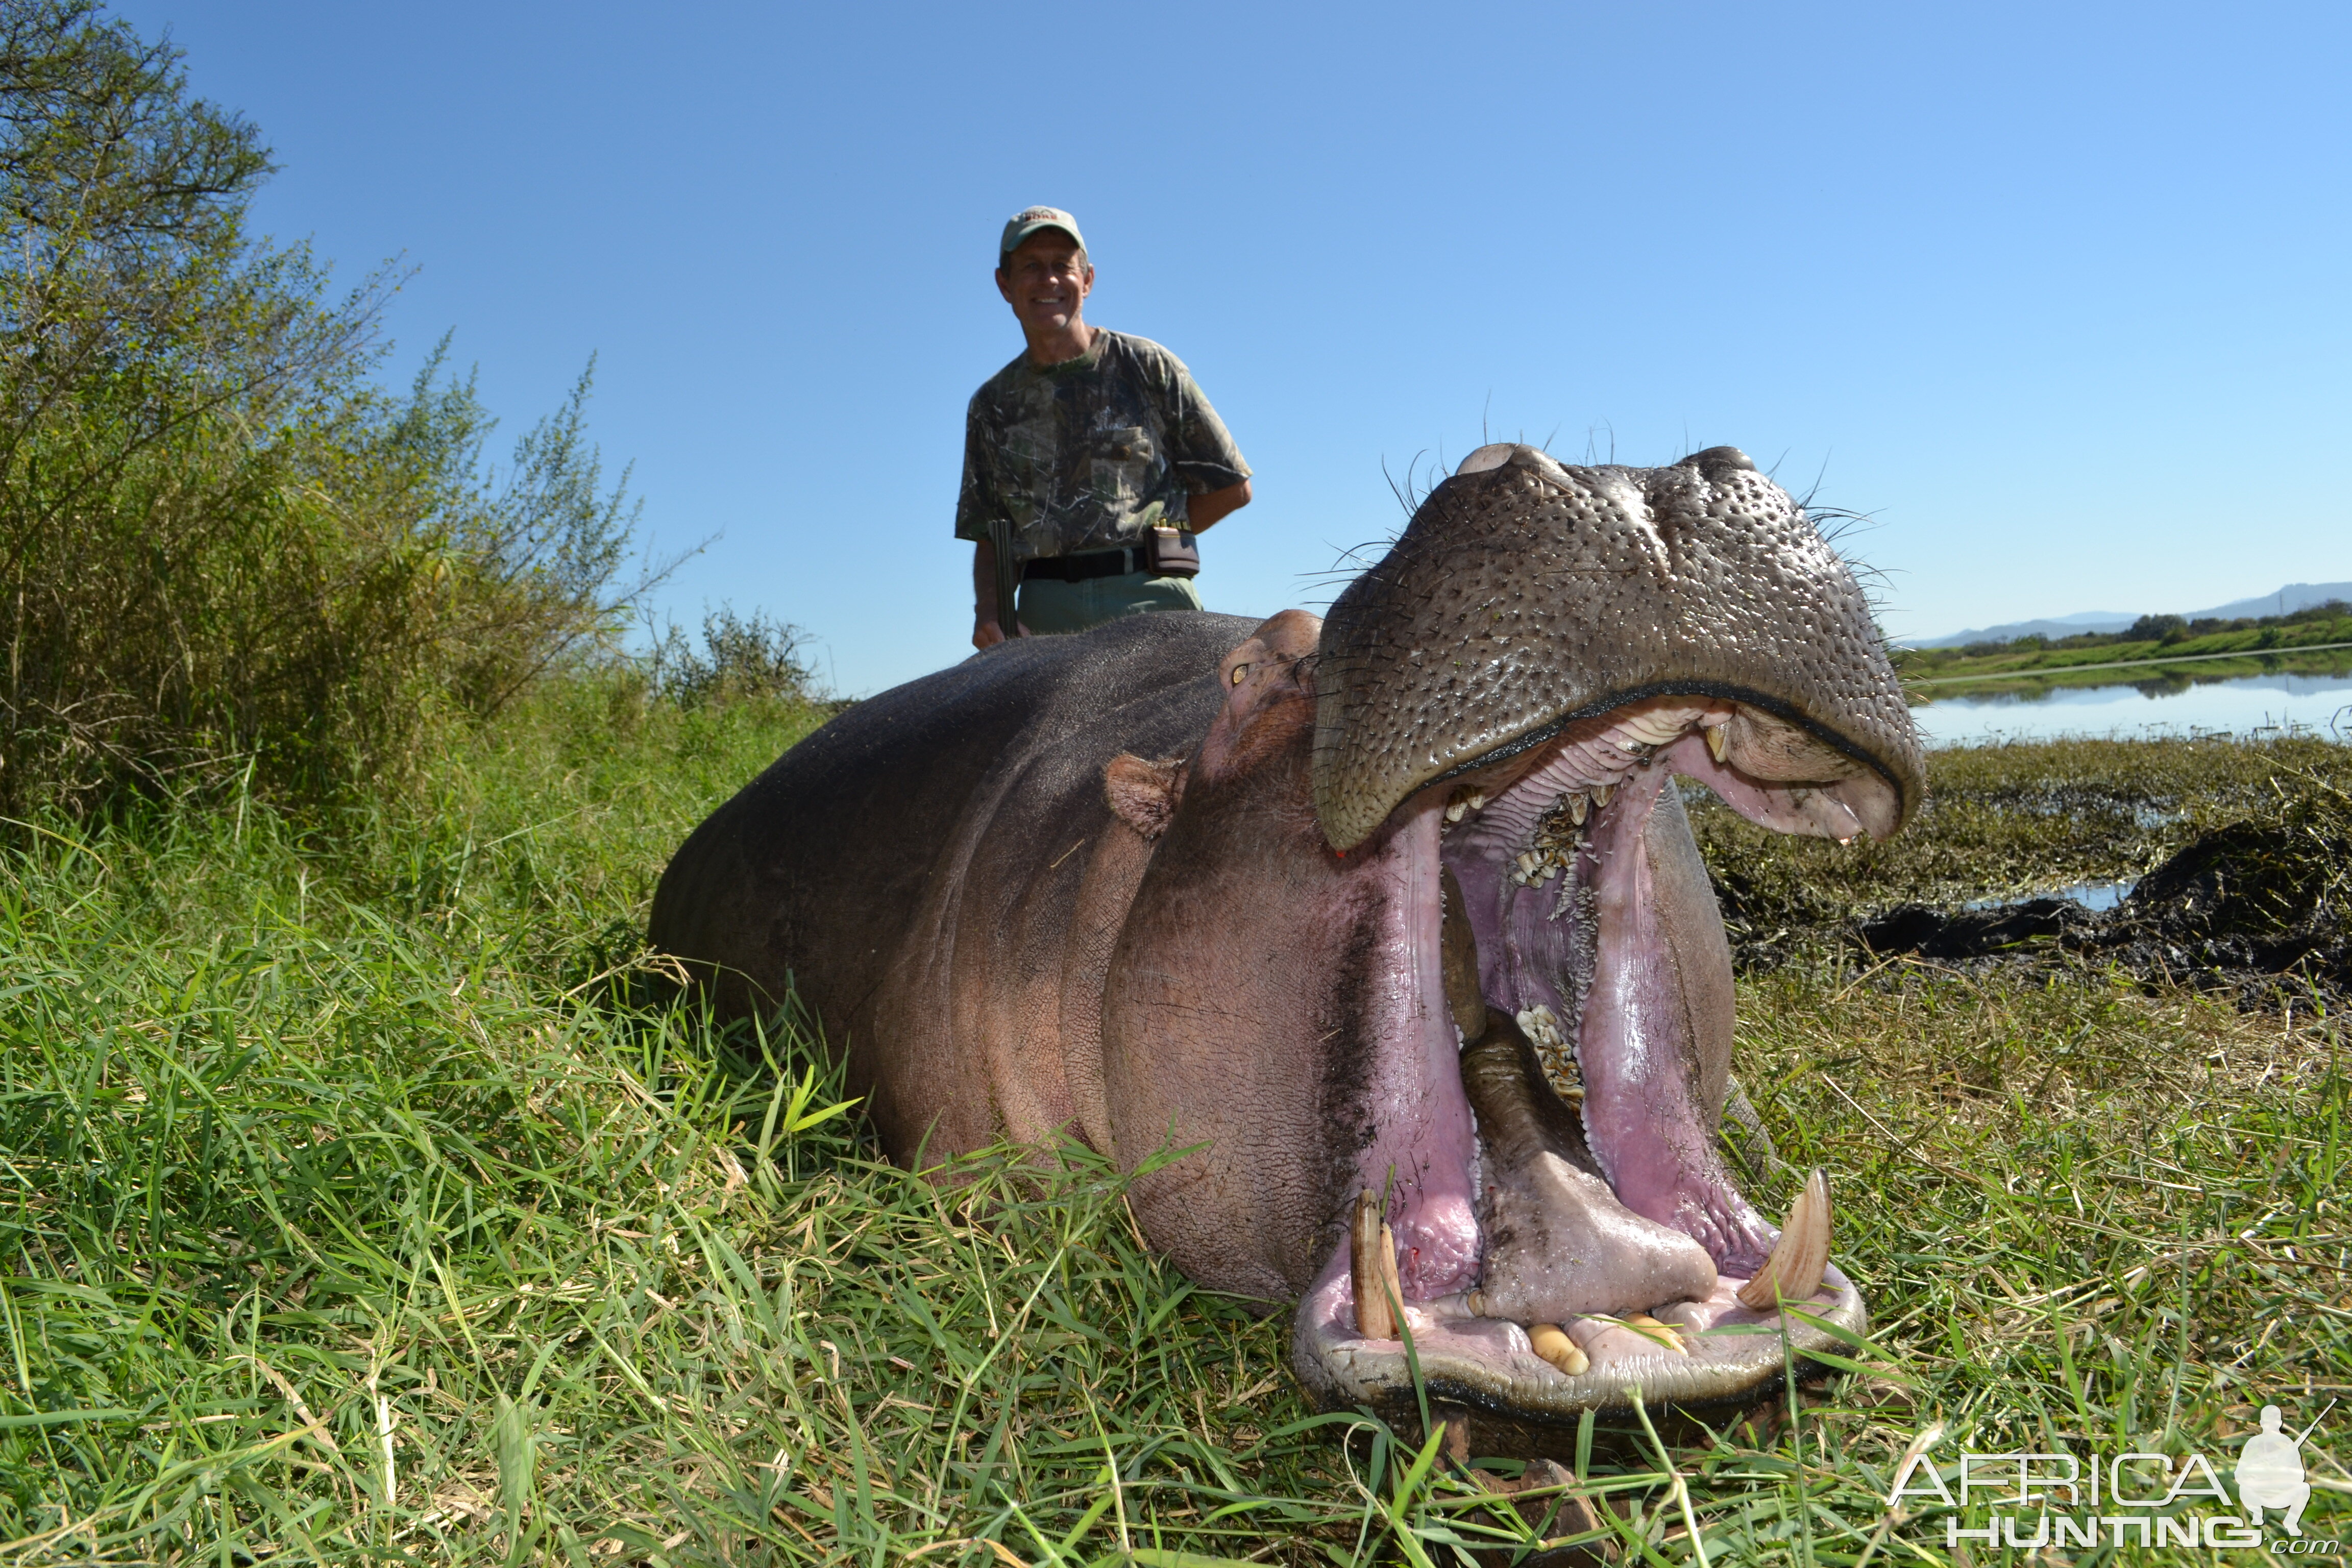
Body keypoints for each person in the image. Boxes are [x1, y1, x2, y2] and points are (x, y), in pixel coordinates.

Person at [958, 206, 1252, 647]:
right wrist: (990, 611)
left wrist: (1155, 546)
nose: (1049, 280)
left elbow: (1232, 487)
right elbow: (989, 534)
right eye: (1032, 267)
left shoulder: (1148, 366)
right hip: (1043, 613)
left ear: (1088, 280)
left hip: (1150, 601)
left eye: (1063, 266)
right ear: (1005, 285)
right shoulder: (992, 404)